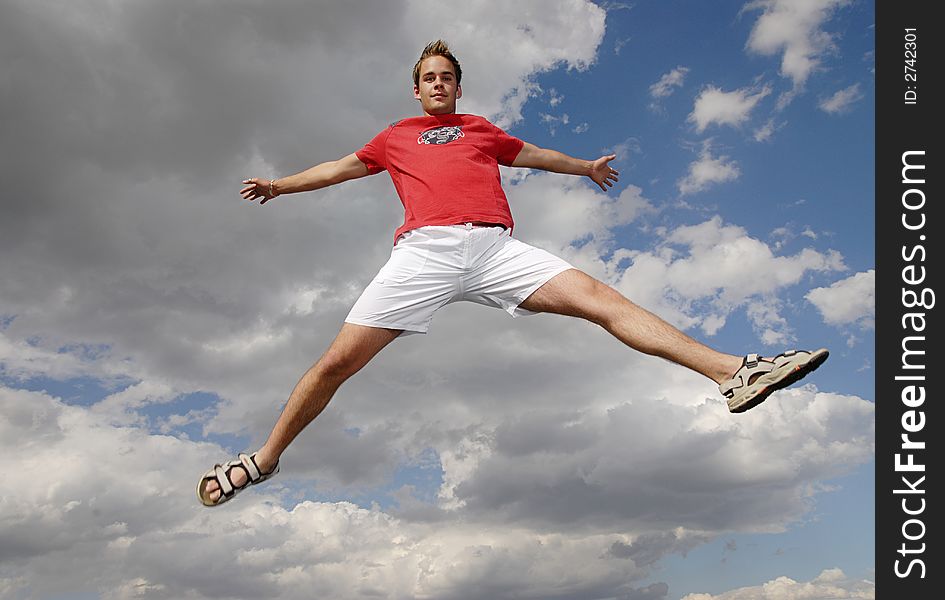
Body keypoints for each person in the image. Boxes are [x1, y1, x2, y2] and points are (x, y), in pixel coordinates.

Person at [197, 40, 828, 507]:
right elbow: (337, 167)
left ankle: (734, 374)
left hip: (495, 250)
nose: (438, 85)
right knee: (337, 363)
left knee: (599, 299)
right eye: (429, 78)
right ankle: (264, 458)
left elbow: (533, 154)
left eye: (447, 77)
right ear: (416, 90)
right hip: (424, 252)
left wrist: (584, 168)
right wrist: (280, 185)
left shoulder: (479, 130)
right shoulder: (395, 138)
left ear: (458, 88)